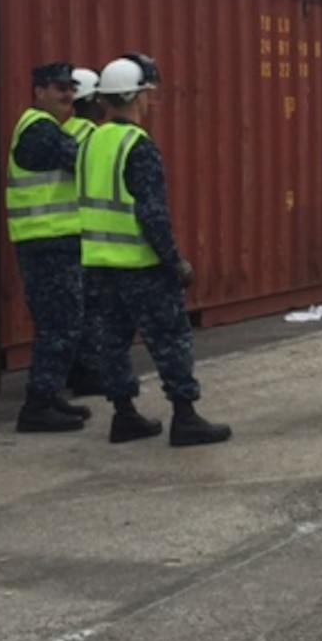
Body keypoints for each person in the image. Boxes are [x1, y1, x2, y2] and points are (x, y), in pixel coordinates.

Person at [79, 55, 231, 447]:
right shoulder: (138, 146)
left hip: (98, 263)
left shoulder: (89, 141)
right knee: (171, 338)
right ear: (135, 97)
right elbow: (152, 213)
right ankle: (185, 416)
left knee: (112, 342)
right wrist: (174, 261)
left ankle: (124, 415)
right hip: (141, 264)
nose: (150, 101)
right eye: (147, 94)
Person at [6, 62, 91, 432]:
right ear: (39, 91)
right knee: (60, 325)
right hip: (47, 241)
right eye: (59, 88)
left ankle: (50, 392)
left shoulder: (44, 127)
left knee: (60, 323)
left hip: (51, 241)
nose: (68, 95)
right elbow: (85, 163)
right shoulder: (40, 130)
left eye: (71, 88)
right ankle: (37, 406)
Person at [63, 67, 107, 399]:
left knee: (68, 311)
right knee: (89, 308)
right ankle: (88, 373)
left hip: (62, 232)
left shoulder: (63, 131)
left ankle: (74, 371)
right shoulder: (91, 136)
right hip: (82, 233)